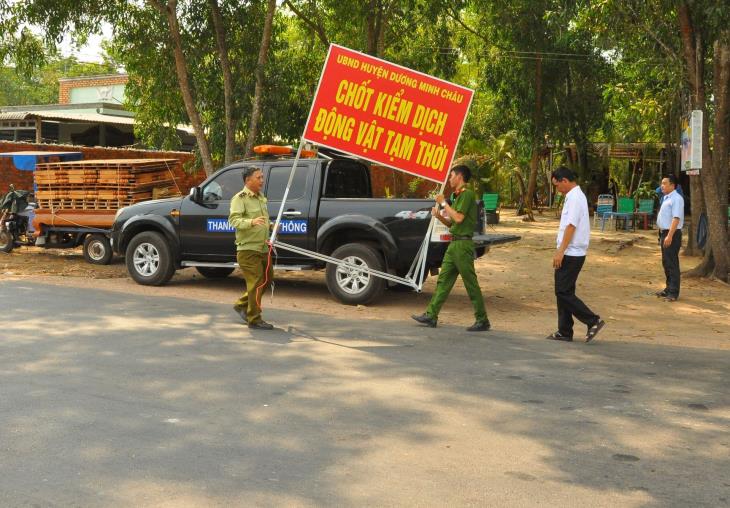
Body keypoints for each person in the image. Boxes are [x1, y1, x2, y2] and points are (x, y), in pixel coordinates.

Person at [411, 165, 490, 332]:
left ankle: (482, 319)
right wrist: (439, 216)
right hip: (454, 244)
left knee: (470, 284)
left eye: (451, 175)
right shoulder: (458, 196)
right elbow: (452, 223)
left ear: (459, 176)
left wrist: (444, 203)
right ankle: (431, 315)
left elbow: (459, 218)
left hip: (462, 245)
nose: (449, 179)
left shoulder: (467, 194)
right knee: (443, 281)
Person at [547, 167, 605, 343]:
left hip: (571, 253)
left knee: (562, 291)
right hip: (571, 251)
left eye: (557, 185)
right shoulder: (573, 197)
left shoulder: (574, 198)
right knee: (564, 291)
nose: (557, 189)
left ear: (565, 180)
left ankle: (592, 320)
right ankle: (564, 330)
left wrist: (560, 251)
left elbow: (570, 226)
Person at [229, 166, 274, 330]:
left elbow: (262, 220)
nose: (262, 180)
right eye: (258, 177)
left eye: (262, 177)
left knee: (267, 279)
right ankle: (254, 318)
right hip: (248, 250)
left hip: (262, 248)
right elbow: (234, 221)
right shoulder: (239, 198)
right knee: (256, 282)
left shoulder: (261, 197)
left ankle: (242, 305)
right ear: (248, 180)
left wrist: (271, 225)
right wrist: (251, 222)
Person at [655, 174, 684, 302]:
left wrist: (669, 236)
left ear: (672, 185)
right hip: (664, 233)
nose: (662, 185)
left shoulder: (676, 199)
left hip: (671, 234)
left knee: (672, 263)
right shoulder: (666, 197)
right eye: (662, 183)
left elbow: (676, 218)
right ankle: (668, 288)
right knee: (666, 262)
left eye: (665, 183)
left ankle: (673, 292)